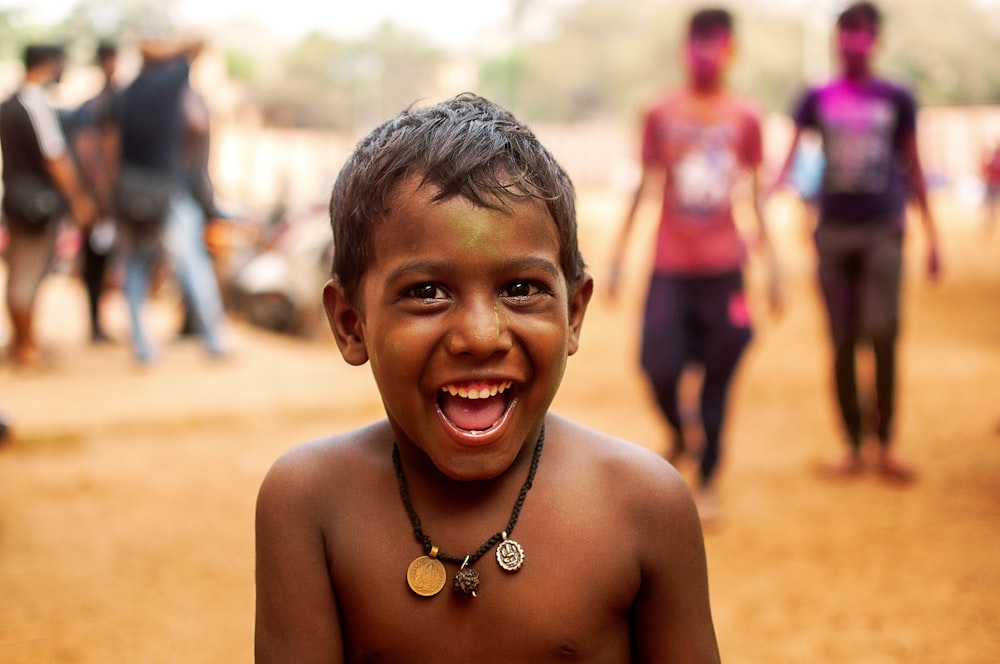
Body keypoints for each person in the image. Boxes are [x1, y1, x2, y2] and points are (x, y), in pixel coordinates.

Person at [254, 94, 721, 662]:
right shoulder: (310, 503)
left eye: (521, 288)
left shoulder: (644, 506)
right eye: (427, 292)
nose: (480, 335)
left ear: (574, 313)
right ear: (351, 324)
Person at [606, 8, 781, 524]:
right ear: (686, 50)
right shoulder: (660, 113)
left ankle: (706, 479)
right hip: (670, 269)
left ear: (731, 51)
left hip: (725, 271)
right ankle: (680, 436)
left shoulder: (746, 118)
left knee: (720, 375)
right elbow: (645, 186)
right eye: (698, 43)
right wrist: (617, 257)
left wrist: (774, 267)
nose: (706, 54)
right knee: (656, 367)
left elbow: (756, 192)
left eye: (717, 44)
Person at [772, 1, 941, 481]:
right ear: (836, 39)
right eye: (846, 33)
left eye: (862, 34)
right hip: (833, 232)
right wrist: (771, 197)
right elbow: (788, 157)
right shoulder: (816, 96)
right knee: (842, 339)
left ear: (876, 40)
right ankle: (851, 443)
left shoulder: (897, 97)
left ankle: (884, 443)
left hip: (883, 229)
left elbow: (913, 163)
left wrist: (932, 235)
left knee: (883, 333)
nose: (853, 42)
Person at [107, 35, 230, 365]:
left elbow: (111, 148)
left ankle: (142, 347)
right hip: (167, 190)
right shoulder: (168, 87)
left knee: (134, 266)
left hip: (129, 190)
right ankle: (216, 341)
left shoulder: (126, 94)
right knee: (191, 264)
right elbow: (199, 42)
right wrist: (165, 47)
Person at [1, 44, 96, 367]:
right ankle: (26, 348)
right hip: (36, 205)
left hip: (15, 200)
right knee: (28, 275)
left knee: (19, 272)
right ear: (48, 65)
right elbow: (55, 158)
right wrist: (79, 199)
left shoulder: (10, 104)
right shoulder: (36, 104)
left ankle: (22, 342)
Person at [68, 40, 121, 344]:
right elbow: (87, 151)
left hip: (113, 198)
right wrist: (98, 196)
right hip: (102, 201)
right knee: (96, 263)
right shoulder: (94, 107)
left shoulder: (115, 102)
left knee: (108, 263)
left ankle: (100, 323)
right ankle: (96, 323)